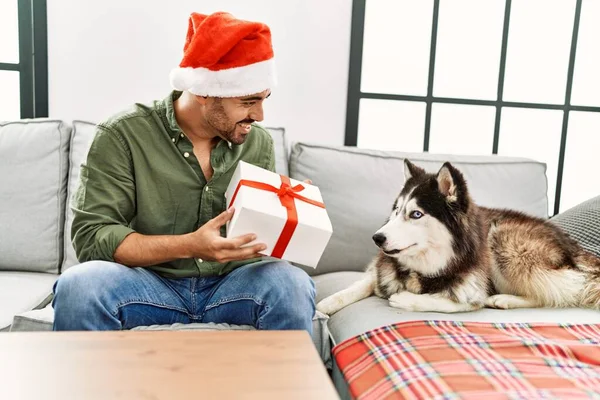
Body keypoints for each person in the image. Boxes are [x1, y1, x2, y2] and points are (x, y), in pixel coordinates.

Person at [52, 11, 315, 332]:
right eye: (248, 101)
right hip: (148, 284)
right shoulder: (123, 134)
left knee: (291, 283)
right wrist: (189, 245)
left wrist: (291, 213)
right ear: (204, 92)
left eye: (263, 99)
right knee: (79, 286)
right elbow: (92, 239)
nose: (259, 114)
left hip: (232, 285)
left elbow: (260, 237)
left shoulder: (256, 142)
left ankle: (283, 384)